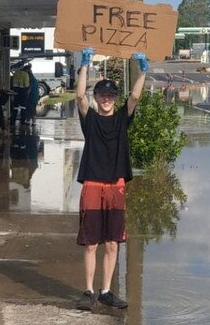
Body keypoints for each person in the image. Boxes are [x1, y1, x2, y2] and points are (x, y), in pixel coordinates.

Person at [75, 48, 148, 311]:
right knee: (91, 242)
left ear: (115, 98)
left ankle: (106, 291)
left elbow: (136, 96)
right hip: (93, 184)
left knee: (112, 242)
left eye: (110, 95)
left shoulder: (121, 120)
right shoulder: (90, 120)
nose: (106, 99)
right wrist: (85, 65)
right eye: (102, 95)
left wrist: (142, 71)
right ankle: (88, 291)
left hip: (115, 186)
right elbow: (79, 95)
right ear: (96, 98)